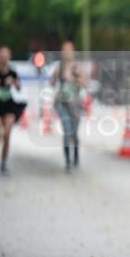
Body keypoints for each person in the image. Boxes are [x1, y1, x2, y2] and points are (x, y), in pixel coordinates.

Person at [49, 41, 85, 172]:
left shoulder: (77, 67)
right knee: (67, 130)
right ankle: (67, 161)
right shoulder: (59, 67)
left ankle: (76, 155)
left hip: (75, 104)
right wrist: (54, 77)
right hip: (62, 103)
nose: (67, 53)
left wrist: (73, 77)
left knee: (74, 133)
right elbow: (52, 83)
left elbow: (84, 84)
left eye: (69, 50)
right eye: (65, 50)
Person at [0, 47, 26, 174]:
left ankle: (3, 163)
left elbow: (19, 87)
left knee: (7, 135)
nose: (3, 57)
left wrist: (14, 82)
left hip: (9, 104)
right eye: (1, 55)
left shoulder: (12, 71)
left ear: (9, 56)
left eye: (5, 55)